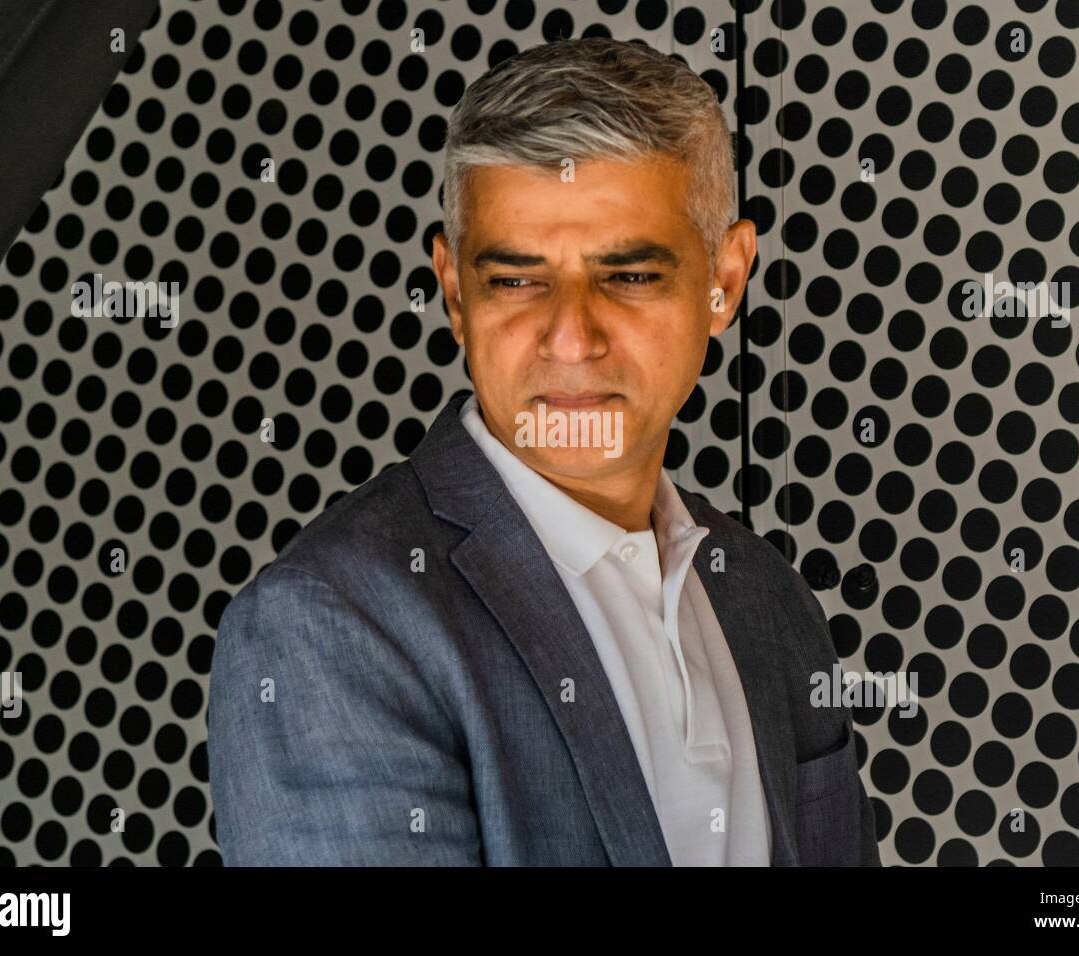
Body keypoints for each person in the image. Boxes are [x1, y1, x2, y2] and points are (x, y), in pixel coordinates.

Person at [209, 36, 880, 867]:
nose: (571, 336)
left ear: (726, 281)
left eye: (629, 275)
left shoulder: (767, 601)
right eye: (517, 280)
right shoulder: (333, 625)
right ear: (455, 293)